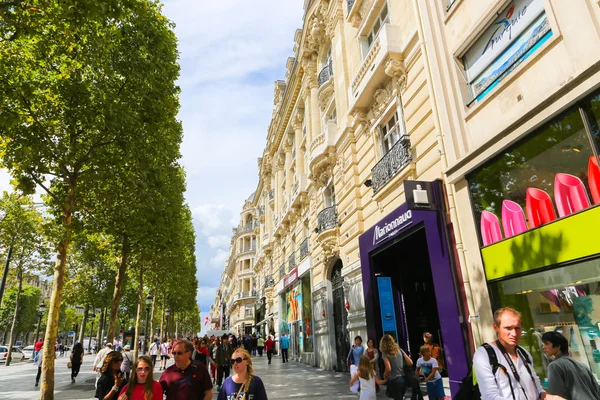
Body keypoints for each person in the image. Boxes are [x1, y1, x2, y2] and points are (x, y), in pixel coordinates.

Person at [473, 307, 545, 400]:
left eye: (517, 328)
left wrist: (546, 395)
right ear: (496, 327)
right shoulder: (484, 354)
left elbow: (536, 386)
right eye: (508, 328)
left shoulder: (524, 353)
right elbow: (489, 396)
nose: (514, 333)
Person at [541, 331, 600, 400]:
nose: (543, 347)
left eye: (546, 344)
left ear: (557, 346)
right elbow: (596, 390)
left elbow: (557, 396)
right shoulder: (582, 365)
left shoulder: (554, 366)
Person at [380, 334, 420, 400]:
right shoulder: (399, 350)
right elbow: (410, 362)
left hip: (394, 379)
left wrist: (385, 375)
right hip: (404, 379)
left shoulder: (384, 353)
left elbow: (388, 368)